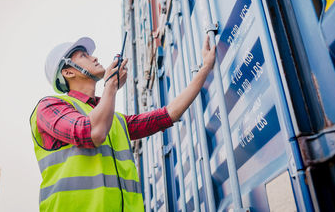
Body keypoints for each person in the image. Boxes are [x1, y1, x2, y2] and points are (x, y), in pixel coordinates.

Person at [30, 35, 216, 212]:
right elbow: (93, 132)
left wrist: (205, 69)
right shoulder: (49, 107)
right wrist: (111, 86)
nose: (94, 58)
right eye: (84, 55)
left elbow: (169, 114)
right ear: (68, 72)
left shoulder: (115, 120)